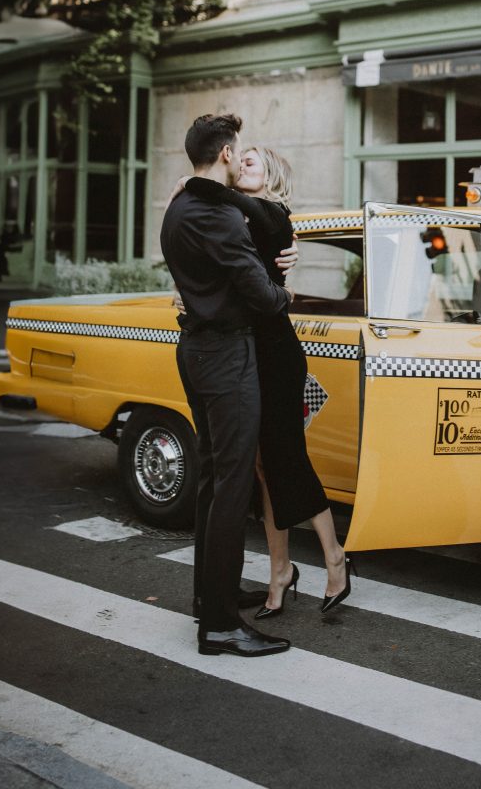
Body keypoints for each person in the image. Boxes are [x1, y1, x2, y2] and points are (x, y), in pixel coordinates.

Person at [169, 144, 353, 618]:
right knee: (261, 468)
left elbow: (242, 213)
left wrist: (194, 182)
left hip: (275, 353)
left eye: (250, 162)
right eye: (239, 159)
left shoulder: (272, 213)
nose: (240, 166)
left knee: (287, 459)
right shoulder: (236, 218)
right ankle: (280, 571)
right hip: (244, 350)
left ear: (271, 175)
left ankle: (335, 559)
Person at [160, 113, 293, 658]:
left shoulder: (181, 207)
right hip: (224, 354)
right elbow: (262, 296)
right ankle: (219, 625)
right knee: (232, 482)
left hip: (197, 349)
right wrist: (286, 294)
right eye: (238, 153)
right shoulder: (216, 217)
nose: (242, 160)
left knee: (215, 478)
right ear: (224, 155)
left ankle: (207, 595)